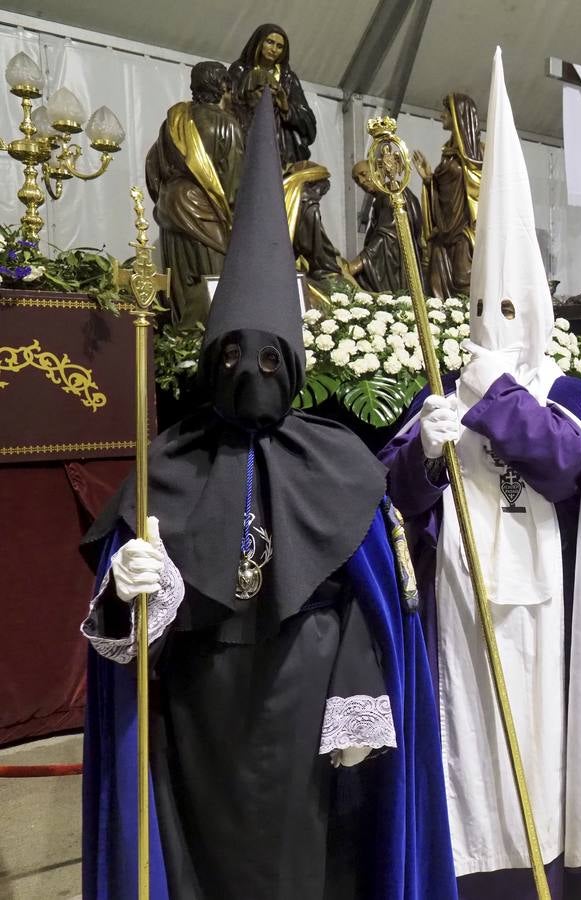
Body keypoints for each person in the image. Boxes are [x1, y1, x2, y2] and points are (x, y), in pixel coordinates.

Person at [79, 89, 454, 899]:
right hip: (201, 710)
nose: (250, 372)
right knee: (206, 861)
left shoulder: (339, 462)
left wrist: (358, 693)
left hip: (309, 701)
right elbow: (120, 617)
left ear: (295, 365)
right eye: (232, 357)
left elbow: (377, 602)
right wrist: (127, 585)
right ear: (209, 363)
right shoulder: (166, 464)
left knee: (309, 862)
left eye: (271, 359)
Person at [379, 49, 581, 894]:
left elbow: (567, 466)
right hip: (463, 604)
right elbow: (394, 499)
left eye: (510, 309)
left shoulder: (567, 393)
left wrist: (495, 396)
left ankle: (551, 862)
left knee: (540, 737)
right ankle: (474, 872)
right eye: (482, 310)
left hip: (549, 608)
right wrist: (424, 452)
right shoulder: (442, 388)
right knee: (471, 740)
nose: (496, 324)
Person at [144, 60, 243, 326]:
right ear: (222, 85)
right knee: (215, 278)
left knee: (180, 280)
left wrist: (165, 194)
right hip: (206, 209)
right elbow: (233, 182)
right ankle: (207, 341)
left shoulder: (174, 120)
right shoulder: (226, 123)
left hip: (170, 205)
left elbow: (152, 166)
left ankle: (181, 337)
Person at [414, 92, 482, 298]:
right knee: (436, 284)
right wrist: (429, 180)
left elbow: (481, 191)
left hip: (464, 231)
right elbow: (445, 191)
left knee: (463, 280)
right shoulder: (448, 155)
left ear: (459, 116)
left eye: (447, 111)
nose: (442, 115)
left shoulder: (478, 156)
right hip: (443, 232)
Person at [227, 24, 316, 169]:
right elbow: (227, 104)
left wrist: (286, 108)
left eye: (279, 46)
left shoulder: (288, 78)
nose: (274, 49)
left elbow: (308, 120)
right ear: (259, 42)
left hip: (279, 146)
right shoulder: (240, 70)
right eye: (270, 42)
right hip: (247, 140)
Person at [350, 158, 425, 295]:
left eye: (363, 174)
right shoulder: (380, 199)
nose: (361, 182)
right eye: (356, 180)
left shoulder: (391, 194)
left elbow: (387, 236)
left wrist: (359, 263)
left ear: (377, 171)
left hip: (399, 267)